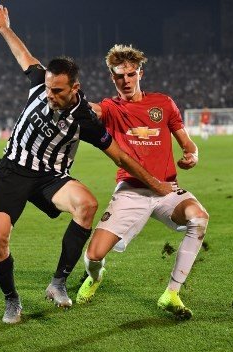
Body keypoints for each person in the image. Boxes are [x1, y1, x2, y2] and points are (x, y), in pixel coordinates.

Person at [0, 5, 173, 324]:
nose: (48, 95)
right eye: (46, 87)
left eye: (56, 91)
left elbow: (121, 156)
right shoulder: (39, 84)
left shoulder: (85, 119)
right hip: (13, 171)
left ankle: (58, 283)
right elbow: (24, 56)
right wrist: (5, 28)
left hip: (49, 176)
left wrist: (155, 183)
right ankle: (12, 300)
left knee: (87, 205)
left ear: (74, 89)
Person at [76, 44, 209, 320]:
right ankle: (95, 277)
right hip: (131, 192)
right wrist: (70, 99)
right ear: (112, 78)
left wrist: (192, 155)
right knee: (93, 256)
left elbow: (188, 144)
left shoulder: (164, 103)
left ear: (140, 73)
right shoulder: (111, 108)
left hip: (166, 190)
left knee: (199, 217)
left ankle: (171, 293)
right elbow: (92, 110)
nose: (126, 80)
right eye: (119, 76)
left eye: (131, 74)